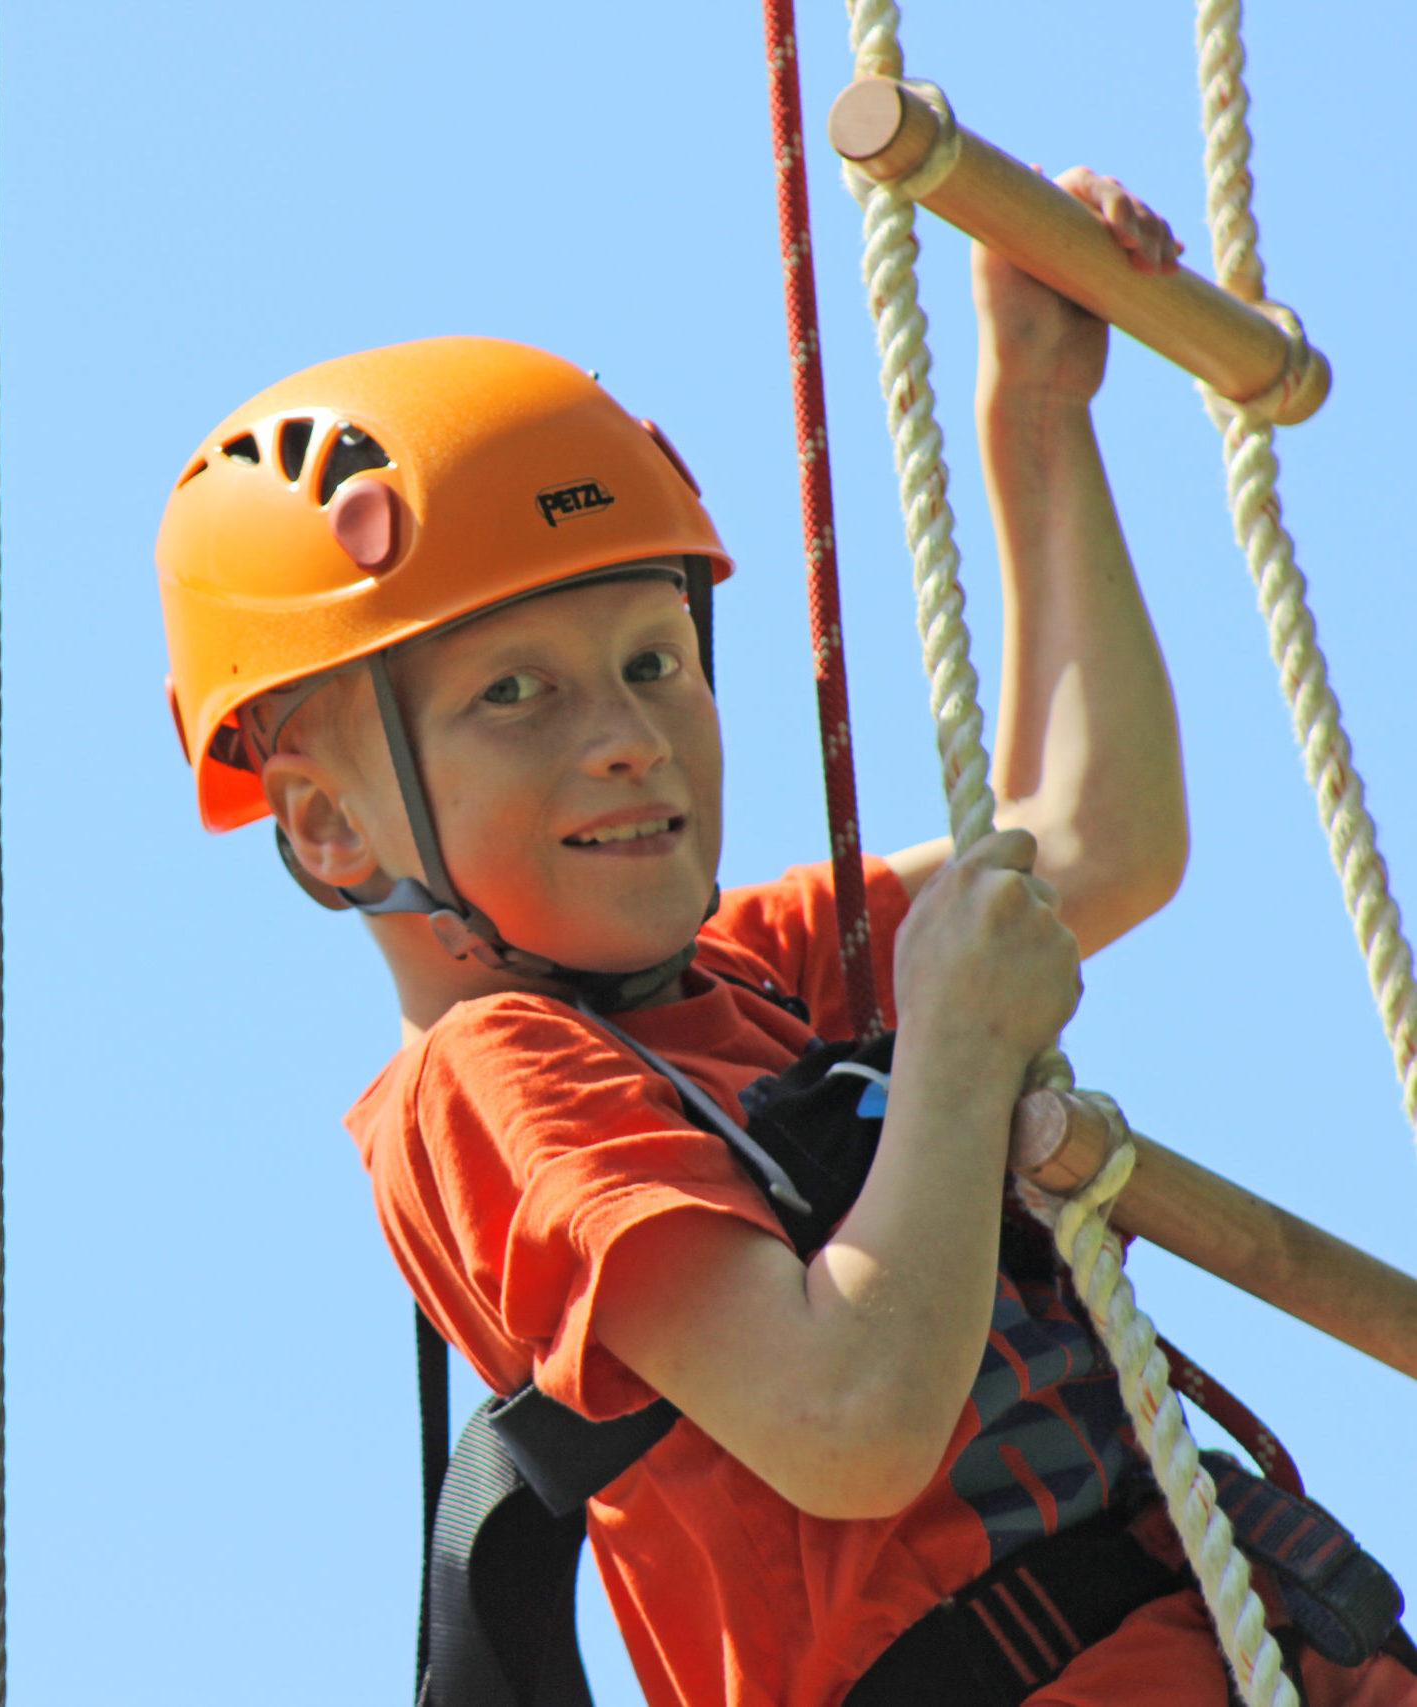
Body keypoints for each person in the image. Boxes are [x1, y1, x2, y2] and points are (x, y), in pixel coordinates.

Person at [155, 171, 1413, 1706]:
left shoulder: (755, 977)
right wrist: (949, 1048)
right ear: (333, 825)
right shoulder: (490, 1081)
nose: (629, 739)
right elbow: (846, 1422)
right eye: (515, 693)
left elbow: (1092, 837)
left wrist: (1034, 410)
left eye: (654, 660)